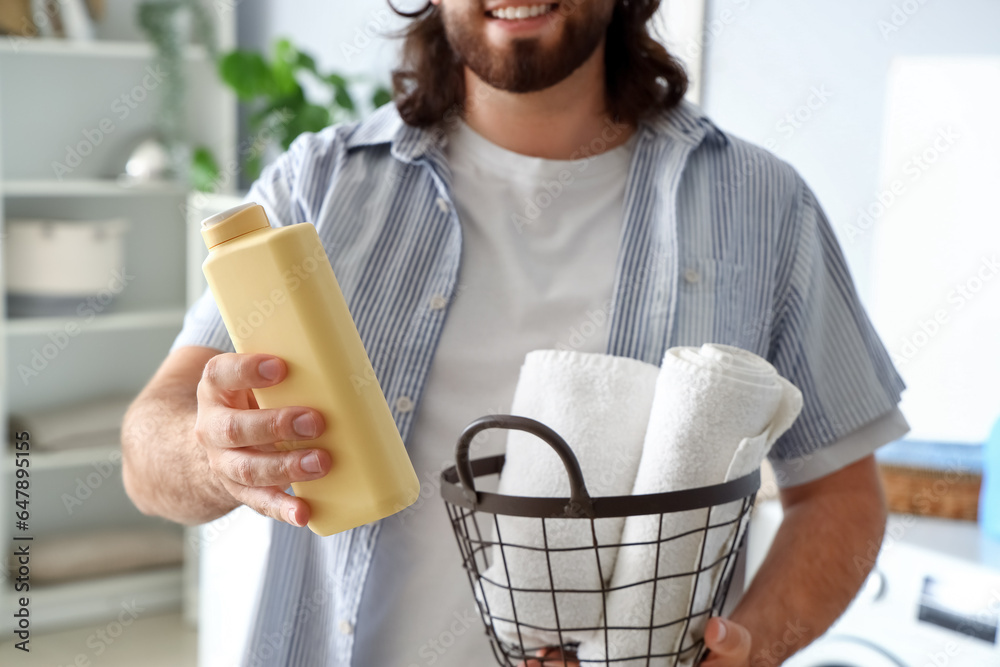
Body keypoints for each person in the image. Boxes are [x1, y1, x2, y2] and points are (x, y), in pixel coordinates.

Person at [122, 0, 911, 665]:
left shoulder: (762, 204)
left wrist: (752, 645)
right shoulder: (319, 185)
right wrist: (207, 452)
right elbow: (145, 450)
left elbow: (839, 496)